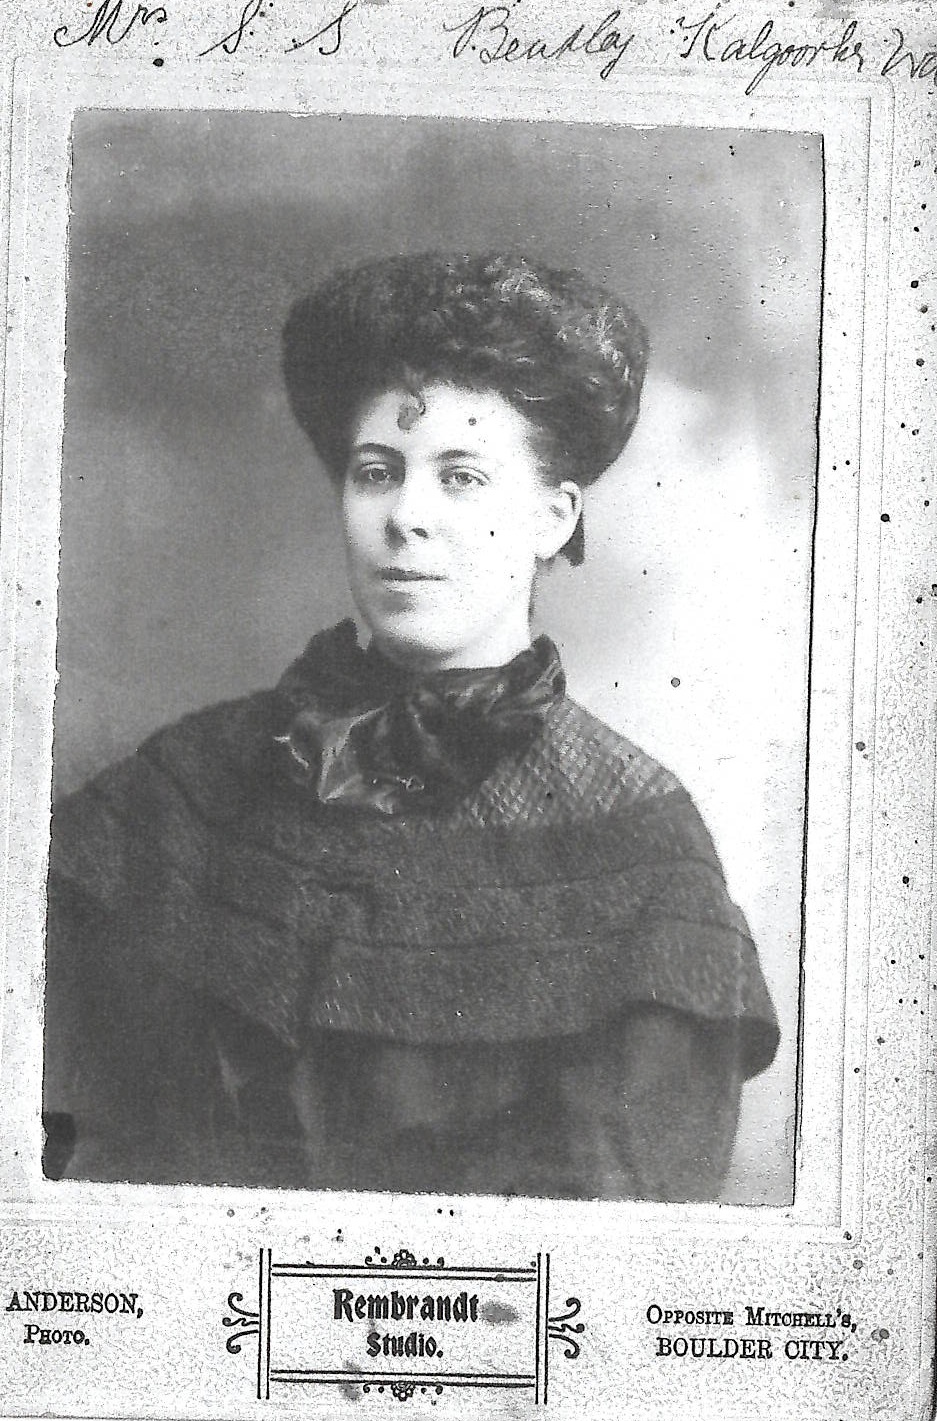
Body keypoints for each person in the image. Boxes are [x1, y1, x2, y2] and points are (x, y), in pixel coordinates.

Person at [43, 252, 779, 1200]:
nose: (406, 517)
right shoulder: (187, 781)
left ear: (553, 518)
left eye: (461, 477)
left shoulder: (638, 835)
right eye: (376, 472)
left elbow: (619, 1232)